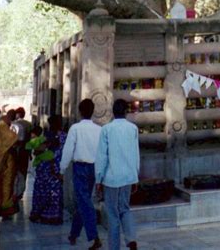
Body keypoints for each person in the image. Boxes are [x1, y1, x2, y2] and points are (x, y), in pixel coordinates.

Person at [95, 99, 139, 250]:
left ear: (113, 112)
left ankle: (114, 247)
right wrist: (135, 176)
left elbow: (102, 156)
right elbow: (135, 154)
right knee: (125, 209)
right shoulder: (132, 128)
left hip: (111, 178)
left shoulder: (107, 129)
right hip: (128, 176)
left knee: (113, 214)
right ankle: (131, 238)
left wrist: (98, 178)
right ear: (126, 112)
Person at [59, 98, 102, 250]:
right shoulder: (99, 129)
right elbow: (103, 152)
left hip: (80, 168)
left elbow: (68, 150)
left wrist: (62, 169)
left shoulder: (75, 128)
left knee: (84, 202)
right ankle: (73, 234)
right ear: (92, 111)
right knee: (82, 201)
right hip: (94, 168)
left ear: (80, 111)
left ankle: (94, 237)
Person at [30, 114, 67, 224]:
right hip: (56, 168)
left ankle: (39, 214)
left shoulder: (45, 136)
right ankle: (53, 216)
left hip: (44, 168)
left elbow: (36, 151)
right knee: (54, 193)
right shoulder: (64, 136)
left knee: (42, 191)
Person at [0, 112, 19, 218]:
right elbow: (13, 138)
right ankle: (5, 207)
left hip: (1, 162)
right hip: (6, 163)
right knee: (6, 184)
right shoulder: (4, 129)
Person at [14, 107, 32, 200]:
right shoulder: (29, 124)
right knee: (23, 171)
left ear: (18, 114)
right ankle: (21, 191)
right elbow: (31, 139)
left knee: (15, 171)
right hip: (25, 151)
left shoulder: (15, 124)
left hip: (17, 151)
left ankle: (15, 191)